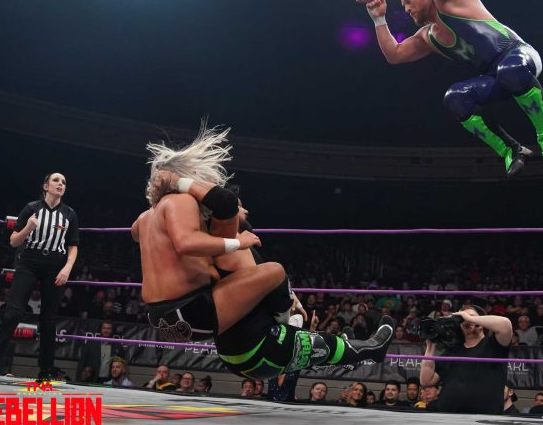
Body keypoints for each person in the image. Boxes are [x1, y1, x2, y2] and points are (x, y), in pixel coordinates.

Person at [134, 127, 396, 380]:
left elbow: (138, 233)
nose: (244, 209)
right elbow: (200, 229)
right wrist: (235, 241)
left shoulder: (148, 218)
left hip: (167, 322)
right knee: (276, 273)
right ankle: (308, 332)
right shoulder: (194, 212)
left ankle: (336, 345)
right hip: (205, 321)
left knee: (310, 334)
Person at [345, 0, 543, 177]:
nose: (406, 9)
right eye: (404, 5)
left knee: (510, 70)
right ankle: (511, 150)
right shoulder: (427, 36)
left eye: (409, 0)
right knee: (455, 97)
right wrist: (379, 19)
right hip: (494, 77)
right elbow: (395, 55)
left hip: (520, 56)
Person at [0, 173, 78, 383]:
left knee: (49, 320)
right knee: (12, 314)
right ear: (46, 186)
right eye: (56, 180)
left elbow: (73, 245)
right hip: (29, 262)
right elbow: (13, 241)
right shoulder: (31, 208)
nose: (60, 184)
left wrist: (67, 267)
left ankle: (45, 372)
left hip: (55, 265)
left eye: (64, 182)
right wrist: (28, 228)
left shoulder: (69, 214)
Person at [420, 307, 512, 414]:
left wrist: (469, 318)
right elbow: (426, 381)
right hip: (448, 416)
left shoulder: (494, 345)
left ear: (481, 322)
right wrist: (430, 346)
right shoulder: (453, 351)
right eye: (461, 319)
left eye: (471, 316)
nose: (465, 320)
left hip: (484, 417)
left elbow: (505, 325)